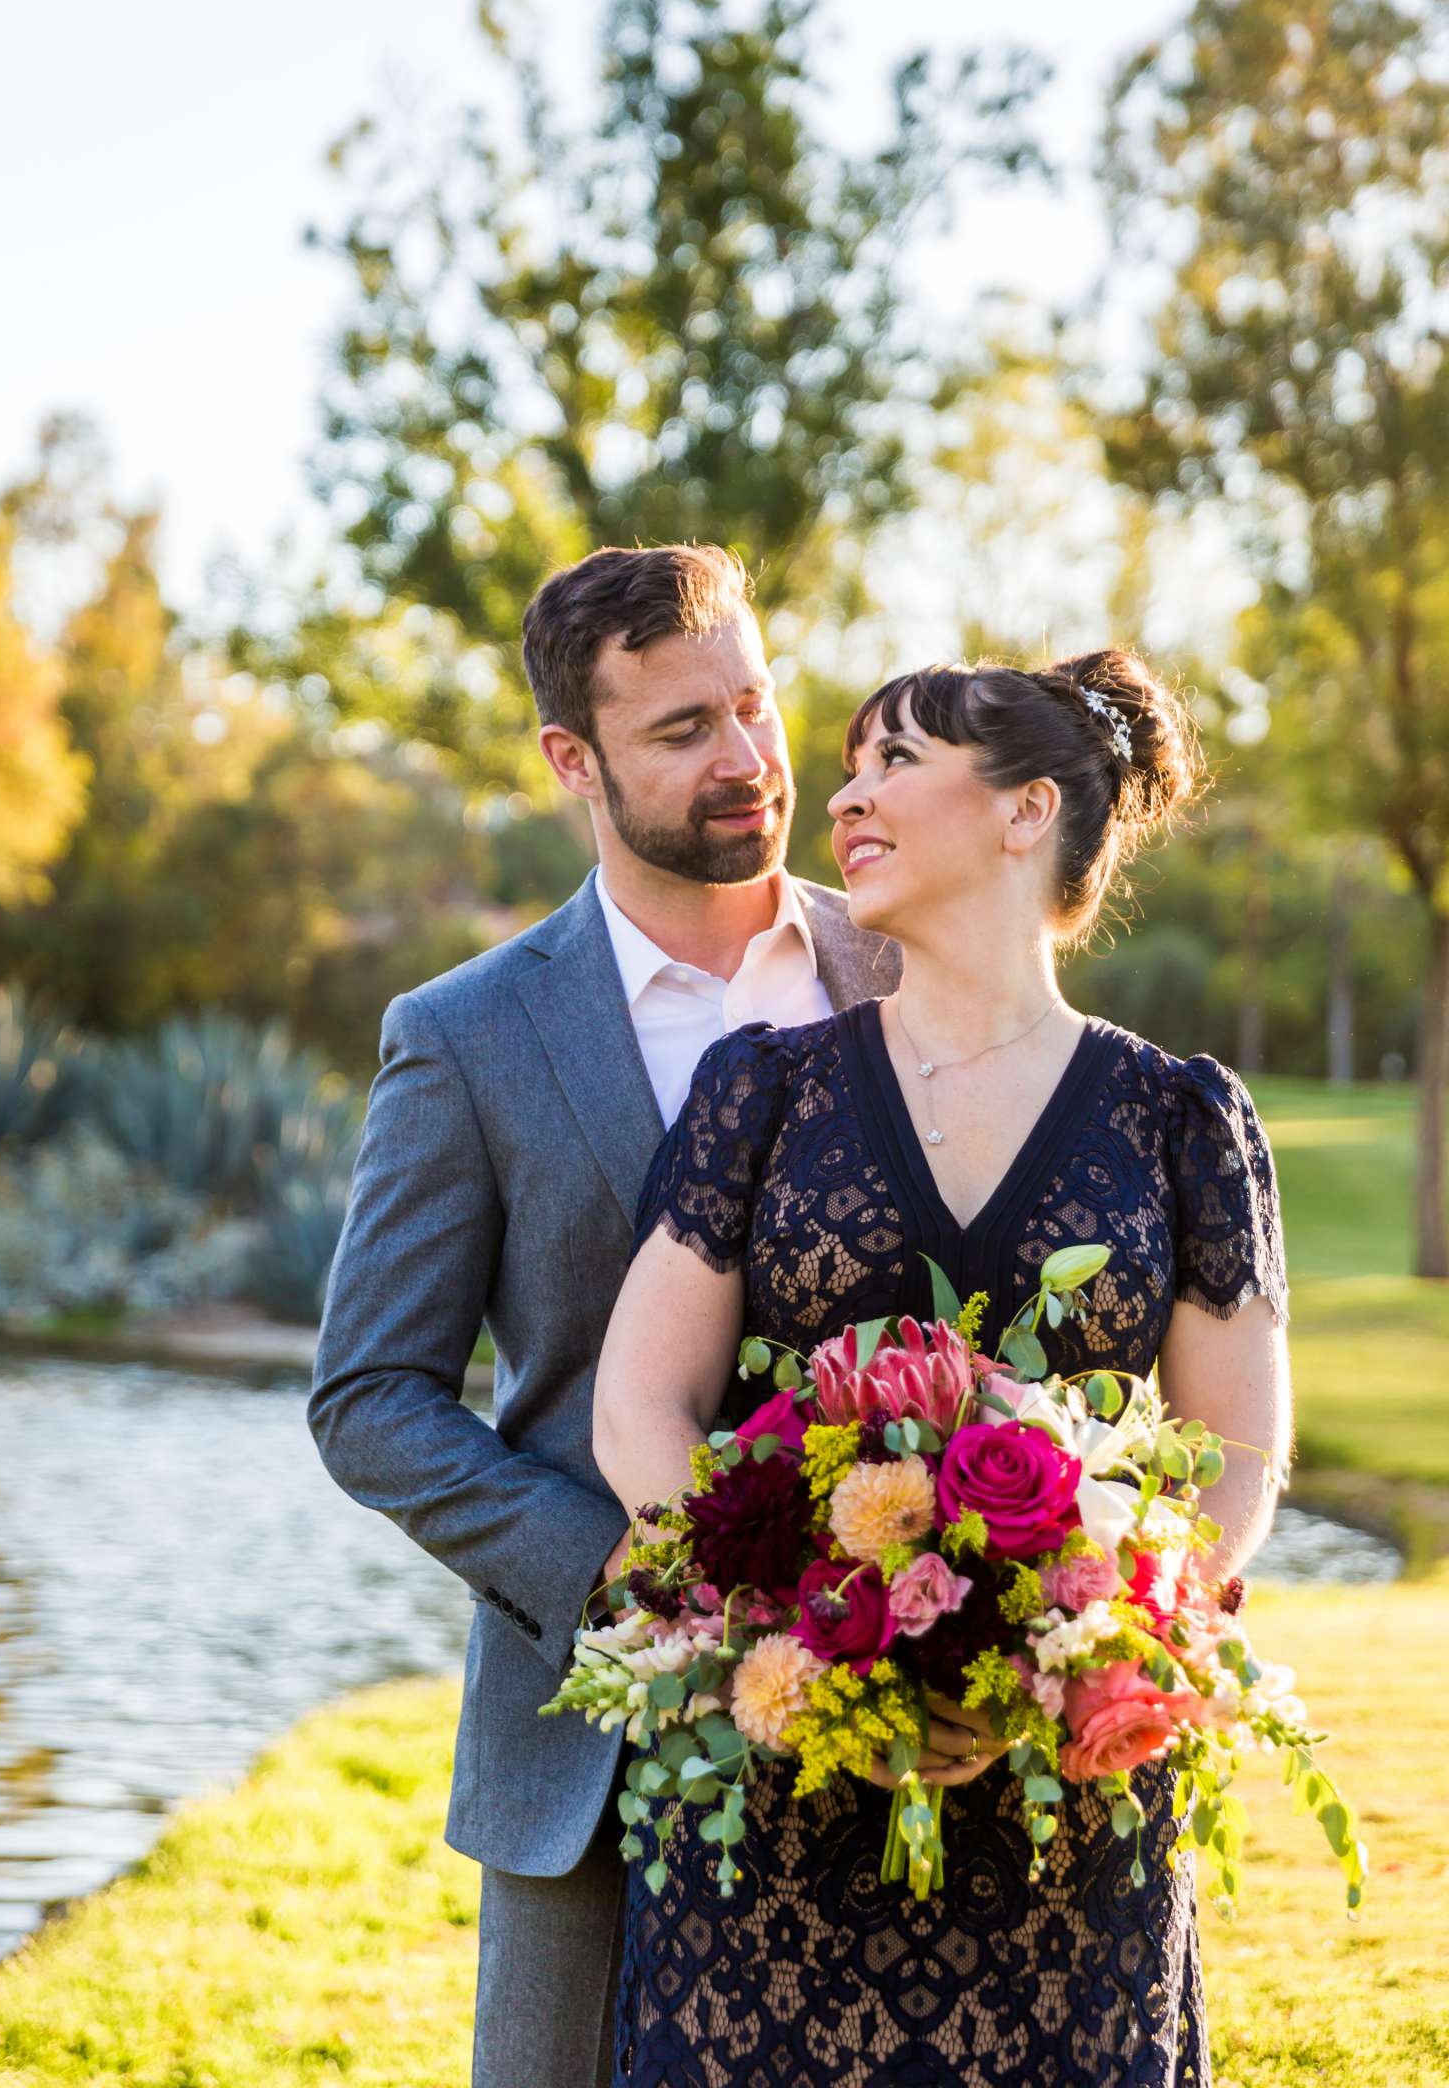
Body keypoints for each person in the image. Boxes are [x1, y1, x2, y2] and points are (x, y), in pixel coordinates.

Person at [594, 649, 1292, 2088]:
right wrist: (776, 1633)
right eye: (848, 766)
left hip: (1065, 1816)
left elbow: (1235, 1463)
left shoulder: (1180, 1121)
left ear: (1028, 810)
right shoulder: (762, 1093)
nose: (843, 796)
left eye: (895, 762)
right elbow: (639, 1404)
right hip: (781, 1807)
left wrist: (1078, 1654)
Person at [307, 542, 896, 2088]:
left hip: (917, 1702)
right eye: (681, 730)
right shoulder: (466, 1036)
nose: (748, 760)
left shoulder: (905, 968)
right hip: (598, 1743)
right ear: (573, 759)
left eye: (756, 706)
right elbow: (369, 1399)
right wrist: (619, 1568)